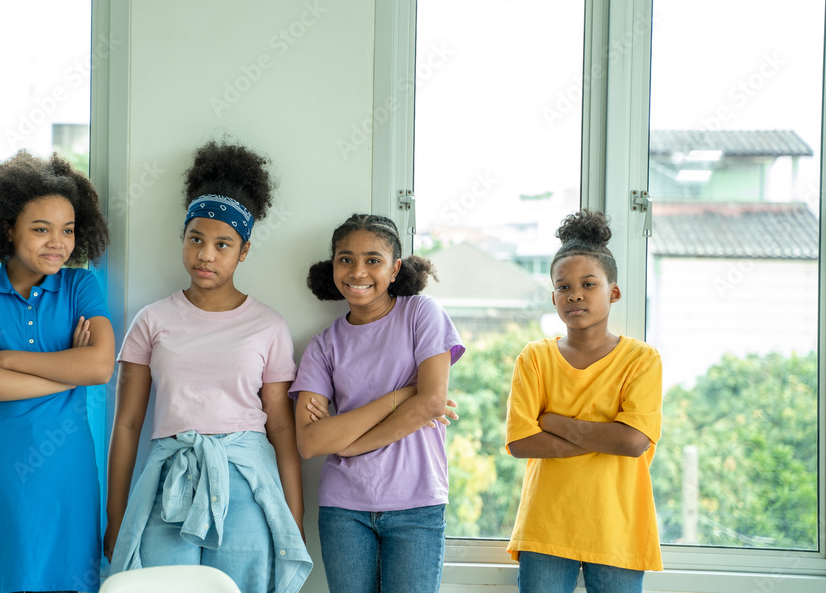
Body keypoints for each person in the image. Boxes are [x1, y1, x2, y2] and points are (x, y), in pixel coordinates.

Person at [104, 141, 312, 593]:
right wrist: (116, 517)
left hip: (247, 483)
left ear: (244, 250)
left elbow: (281, 428)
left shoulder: (268, 325)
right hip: (168, 480)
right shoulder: (151, 320)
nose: (206, 255)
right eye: (196, 239)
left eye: (223, 244)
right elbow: (127, 423)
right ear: (183, 238)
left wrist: (289, 517)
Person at [0, 151, 115, 593]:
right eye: (41, 229)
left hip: (65, 474)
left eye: (68, 230)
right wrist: (68, 372)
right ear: (7, 229)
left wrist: (4, 360)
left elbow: (100, 365)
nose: (58, 242)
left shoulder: (80, 285)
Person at [290, 213, 465, 593]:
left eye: (373, 260)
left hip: (416, 502)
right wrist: (402, 395)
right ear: (333, 265)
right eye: (345, 259)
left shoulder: (422, 313)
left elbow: (432, 403)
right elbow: (310, 443)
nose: (358, 271)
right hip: (344, 510)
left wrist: (347, 443)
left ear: (395, 268)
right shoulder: (323, 345)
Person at [505, 208, 663, 593]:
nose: (574, 293)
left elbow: (632, 442)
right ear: (554, 295)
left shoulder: (642, 360)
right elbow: (522, 442)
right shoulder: (535, 357)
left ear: (614, 292)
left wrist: (555, 422)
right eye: (563, 286)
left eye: (588, 284)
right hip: (545, 528)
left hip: (617, 529)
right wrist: (601, 437)